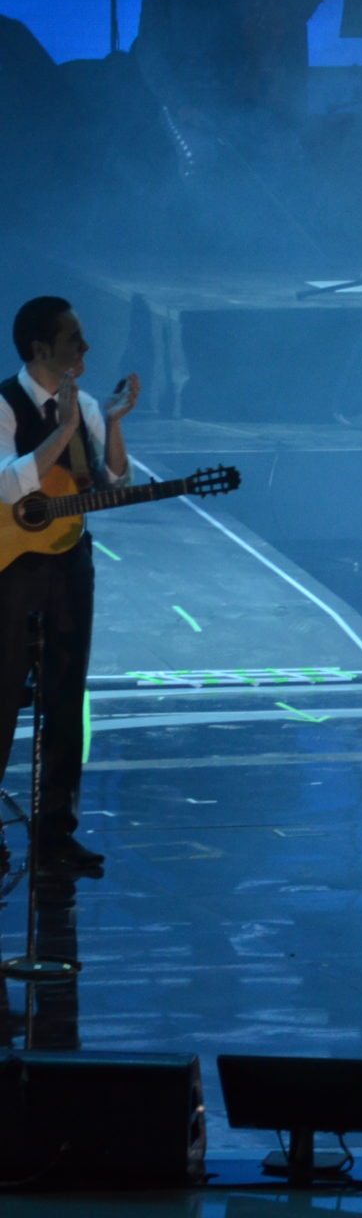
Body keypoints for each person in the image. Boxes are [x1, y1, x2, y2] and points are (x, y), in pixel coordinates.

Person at [0, 297, 138, 873]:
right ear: (40, 349)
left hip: (70, 563)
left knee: (65, 695)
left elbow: (108, 484)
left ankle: (56, 831)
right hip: (12, 567)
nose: (85, 348)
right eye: (74, 338)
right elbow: (11, 488)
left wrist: (113, 424)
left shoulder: (82, 404)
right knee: (3, 693)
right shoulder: (4, 405)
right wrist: (60, 431)